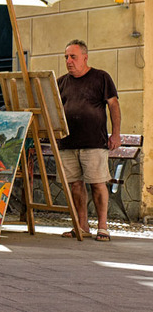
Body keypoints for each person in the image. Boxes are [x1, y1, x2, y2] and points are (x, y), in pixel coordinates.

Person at [57, 39, 121, 242]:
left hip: (94, 142)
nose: (69, 61)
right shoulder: (60, 82)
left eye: (73, 57)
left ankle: (103, 226)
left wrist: (116, 133)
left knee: (97, 183)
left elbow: (113, 106)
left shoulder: (101, 77)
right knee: (75, 185)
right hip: (68, 142)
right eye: (66, 57)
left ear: (85, 57)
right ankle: (81, 226)